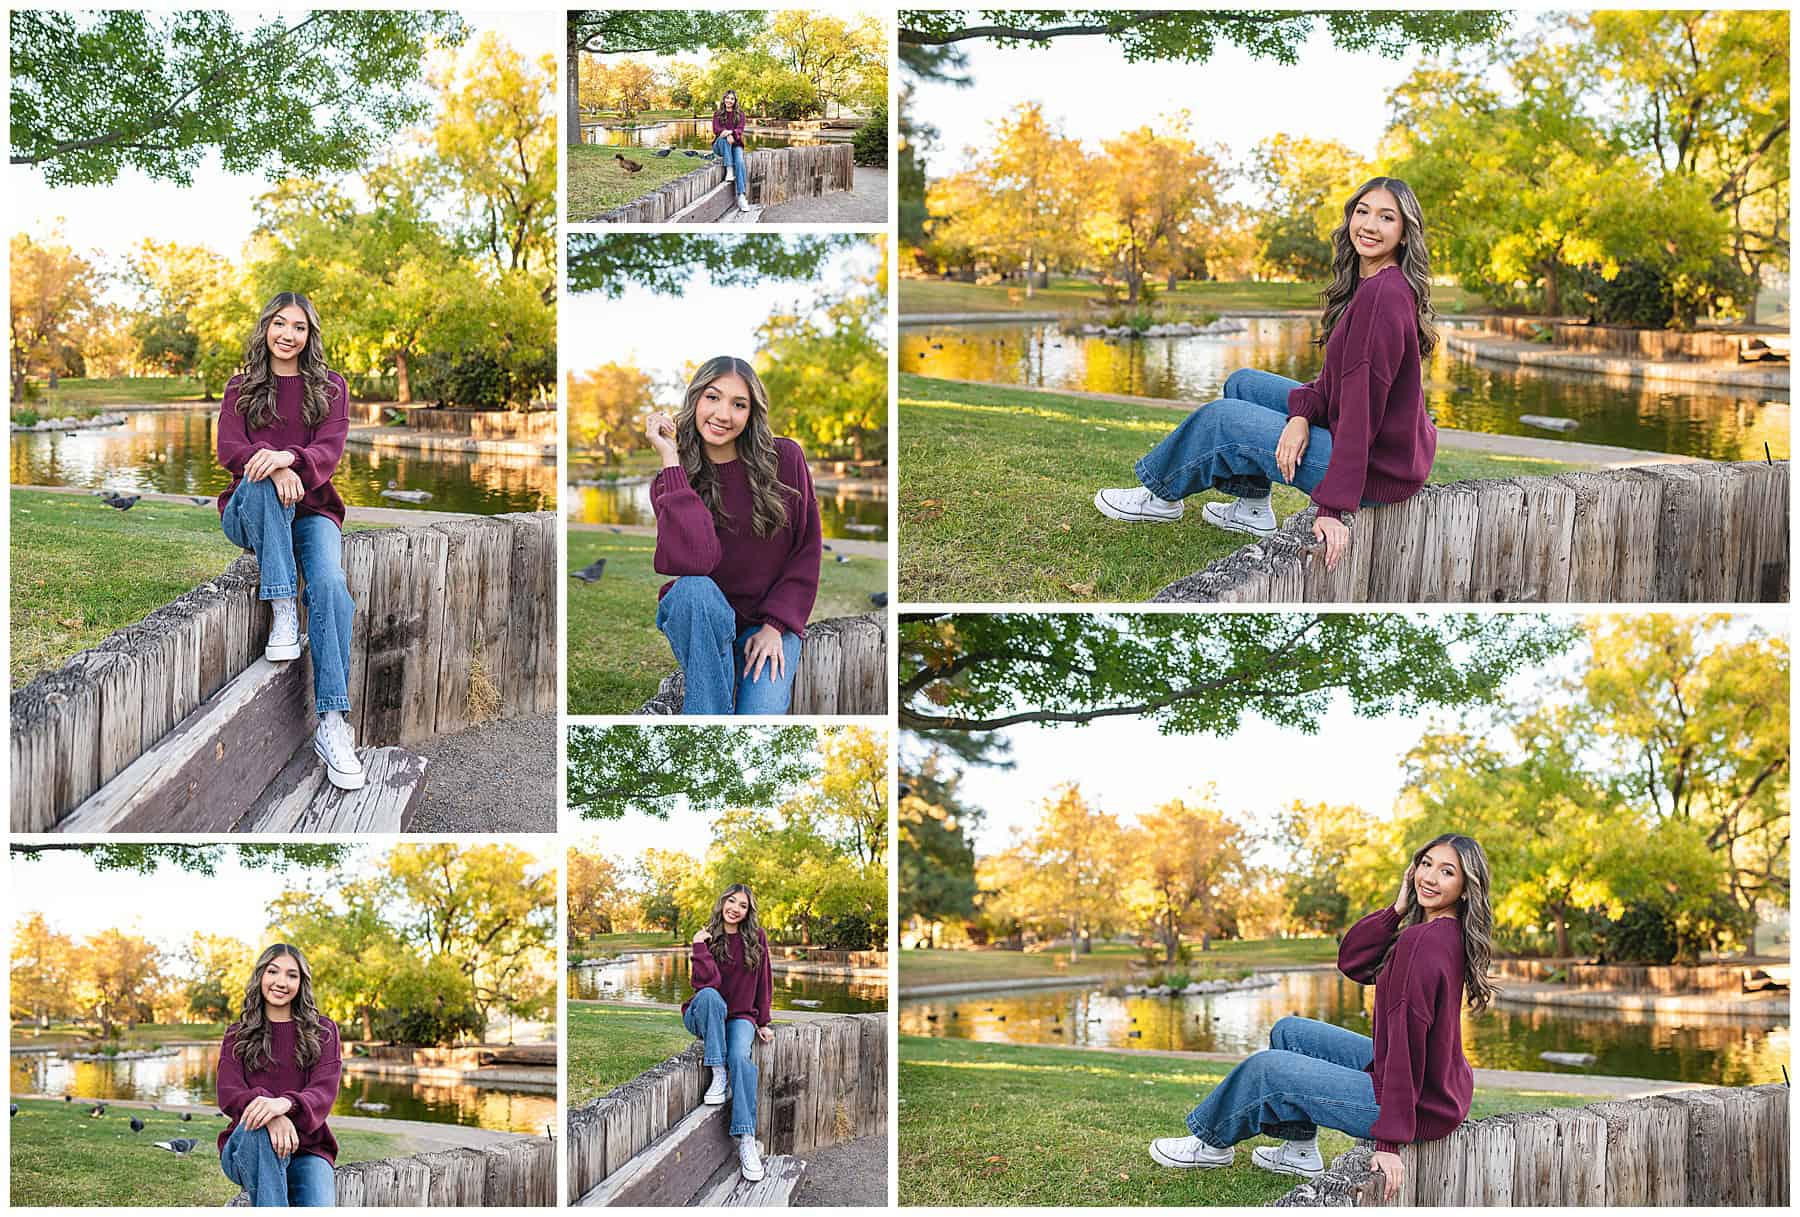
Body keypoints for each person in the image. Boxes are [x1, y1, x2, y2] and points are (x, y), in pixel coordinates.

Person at [1095, 177, 1440, 572]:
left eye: (1386, 217)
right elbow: (1336, 381)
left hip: (1375, 469)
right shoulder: (1374, 284)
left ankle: (1159, 497)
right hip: (1375, 447)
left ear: (1404, 232)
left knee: (1221, 419)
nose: (1369, 226)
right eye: (1362, 212)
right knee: (1242, 383)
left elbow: (1363, 408)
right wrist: (1300, 417)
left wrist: (1332, 507)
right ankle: (1252, 509)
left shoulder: (1382, 296)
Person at [1148, 834, 1496, 1201]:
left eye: (1446, 872)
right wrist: (1396, 909)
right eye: (1426, 864)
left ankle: (1211, 1144)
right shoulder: (1441, 933)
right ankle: (1299, 1152)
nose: (1429, 877)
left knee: (1266, 1069)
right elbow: (1353, 962)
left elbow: (1409, 1041)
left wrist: (1389, 1142)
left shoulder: (1422, 944)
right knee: (1290, 1033)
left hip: (1417, 1102)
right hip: (1432, 1086)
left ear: (1464, 887)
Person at [215, 291, 361, 789]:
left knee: (331, 588)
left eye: (298, 327)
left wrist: (289, 460)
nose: (288, 334)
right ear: (266, 328)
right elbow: (231, 451)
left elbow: (329, 450)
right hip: (250, 511)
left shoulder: (332, 388)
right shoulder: (241, 387)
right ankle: (281, 606)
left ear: (309, 335)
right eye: (280, 324)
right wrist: (274, 469)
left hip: (313, 511)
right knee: (259, 480)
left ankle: (333, 724)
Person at [646, 356, 822, 715]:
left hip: (769, 622)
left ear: (751, 412)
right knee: (692, 588)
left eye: (738, 404)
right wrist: (671, 459)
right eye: (713, 397)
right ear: (695, 400)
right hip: (704, 620)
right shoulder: (671, 481)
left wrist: (775, 626)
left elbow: (807, 548)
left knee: (759, 716)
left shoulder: (785, 458)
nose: (723, 414)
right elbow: (696, 561)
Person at [216, 944, 343, 1207]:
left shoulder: (324, 1031)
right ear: (261, 975)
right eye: (273, 971)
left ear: (302, 982)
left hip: (308, 1150)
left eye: (292, 975)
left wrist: (284, 1105)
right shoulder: (237, 1034)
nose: (281, 982)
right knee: (257, 1132)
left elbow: (324, 1090)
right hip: (245, 1147)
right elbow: (229, 1093)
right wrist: (270, 1115)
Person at [683, 884, 776, 1182]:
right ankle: (717, 1070)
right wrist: (699, 947)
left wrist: (763, 1021)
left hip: (740, 1018)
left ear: (748, 912)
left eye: (743, 905)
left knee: (741, 1057)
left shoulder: (756, 939)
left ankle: (746, 1139)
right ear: (722, 902)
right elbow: (703, 984)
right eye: (731, 901)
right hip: (705, 1015)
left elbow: (764, 981)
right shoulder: (708, 937)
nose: (735, 908)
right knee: (710, 996)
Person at [713, 90, 753, 213]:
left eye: (732, 99)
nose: (729, 100)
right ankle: (729, 169)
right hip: (720, 145)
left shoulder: (740, 114)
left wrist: (730, 133)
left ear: (735, 101)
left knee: (740, 162)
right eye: (727, 98)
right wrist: (725, 134)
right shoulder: (717, 114)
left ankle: (741, 196)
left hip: (736, 144)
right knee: (724, 139)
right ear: (724, 99)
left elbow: (740, 130)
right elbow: (716, 129)